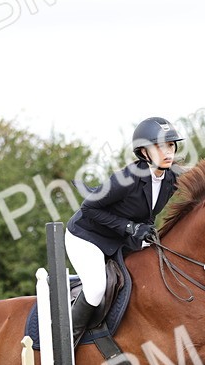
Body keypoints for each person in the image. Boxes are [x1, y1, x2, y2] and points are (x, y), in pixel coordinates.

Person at [64, 116, 182, 344]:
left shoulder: (172, 178)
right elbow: (88, 208)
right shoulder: (127, 178)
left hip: (122, 240)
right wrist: (130, 227)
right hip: (87, 237)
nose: (168, 152)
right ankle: (67, 341)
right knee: (97, 288)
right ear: (144, 152)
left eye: (170, 145)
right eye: (159, 146)